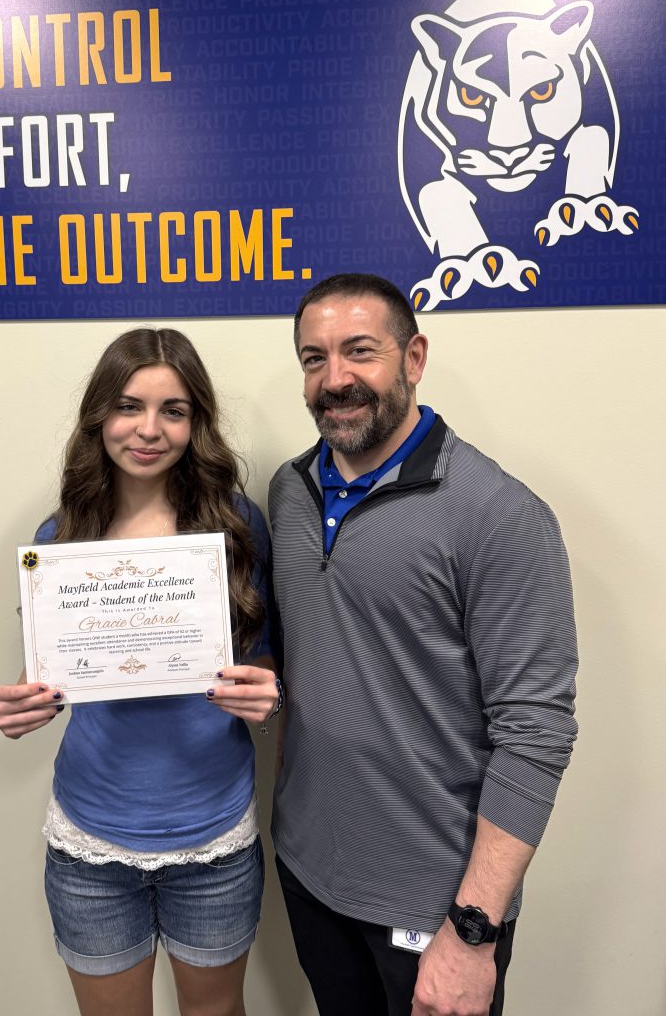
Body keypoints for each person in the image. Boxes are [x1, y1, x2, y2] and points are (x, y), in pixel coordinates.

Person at [269, 274, 578, 1016]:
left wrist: (474, 932)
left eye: (359, 352)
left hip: (436, 903)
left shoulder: (498, 515)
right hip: (309, 873)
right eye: (314, 358)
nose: (334, 379)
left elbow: (535, 736)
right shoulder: (288, 492)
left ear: (414, 357)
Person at [0, 327, 280, 1016]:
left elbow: (265, 660)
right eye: (128, 406)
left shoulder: (238, 527)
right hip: (92, 837)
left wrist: (268, 694)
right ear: (100, 416)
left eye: (173, 410)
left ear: (195, 422)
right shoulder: (59, 539)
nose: (149, 430)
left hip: (214, 833)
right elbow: (60, 680)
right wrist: (29, 707)